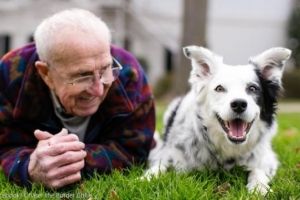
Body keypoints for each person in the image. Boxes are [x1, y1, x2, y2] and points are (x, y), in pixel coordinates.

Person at [0, 8, 155, 189]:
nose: (98, 89)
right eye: (82, 75)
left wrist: (66, 159)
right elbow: (4, 145)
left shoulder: (129, 73)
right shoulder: (9, 75)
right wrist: (29, 166)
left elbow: (134, 150)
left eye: (105, 69)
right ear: (46, 74)